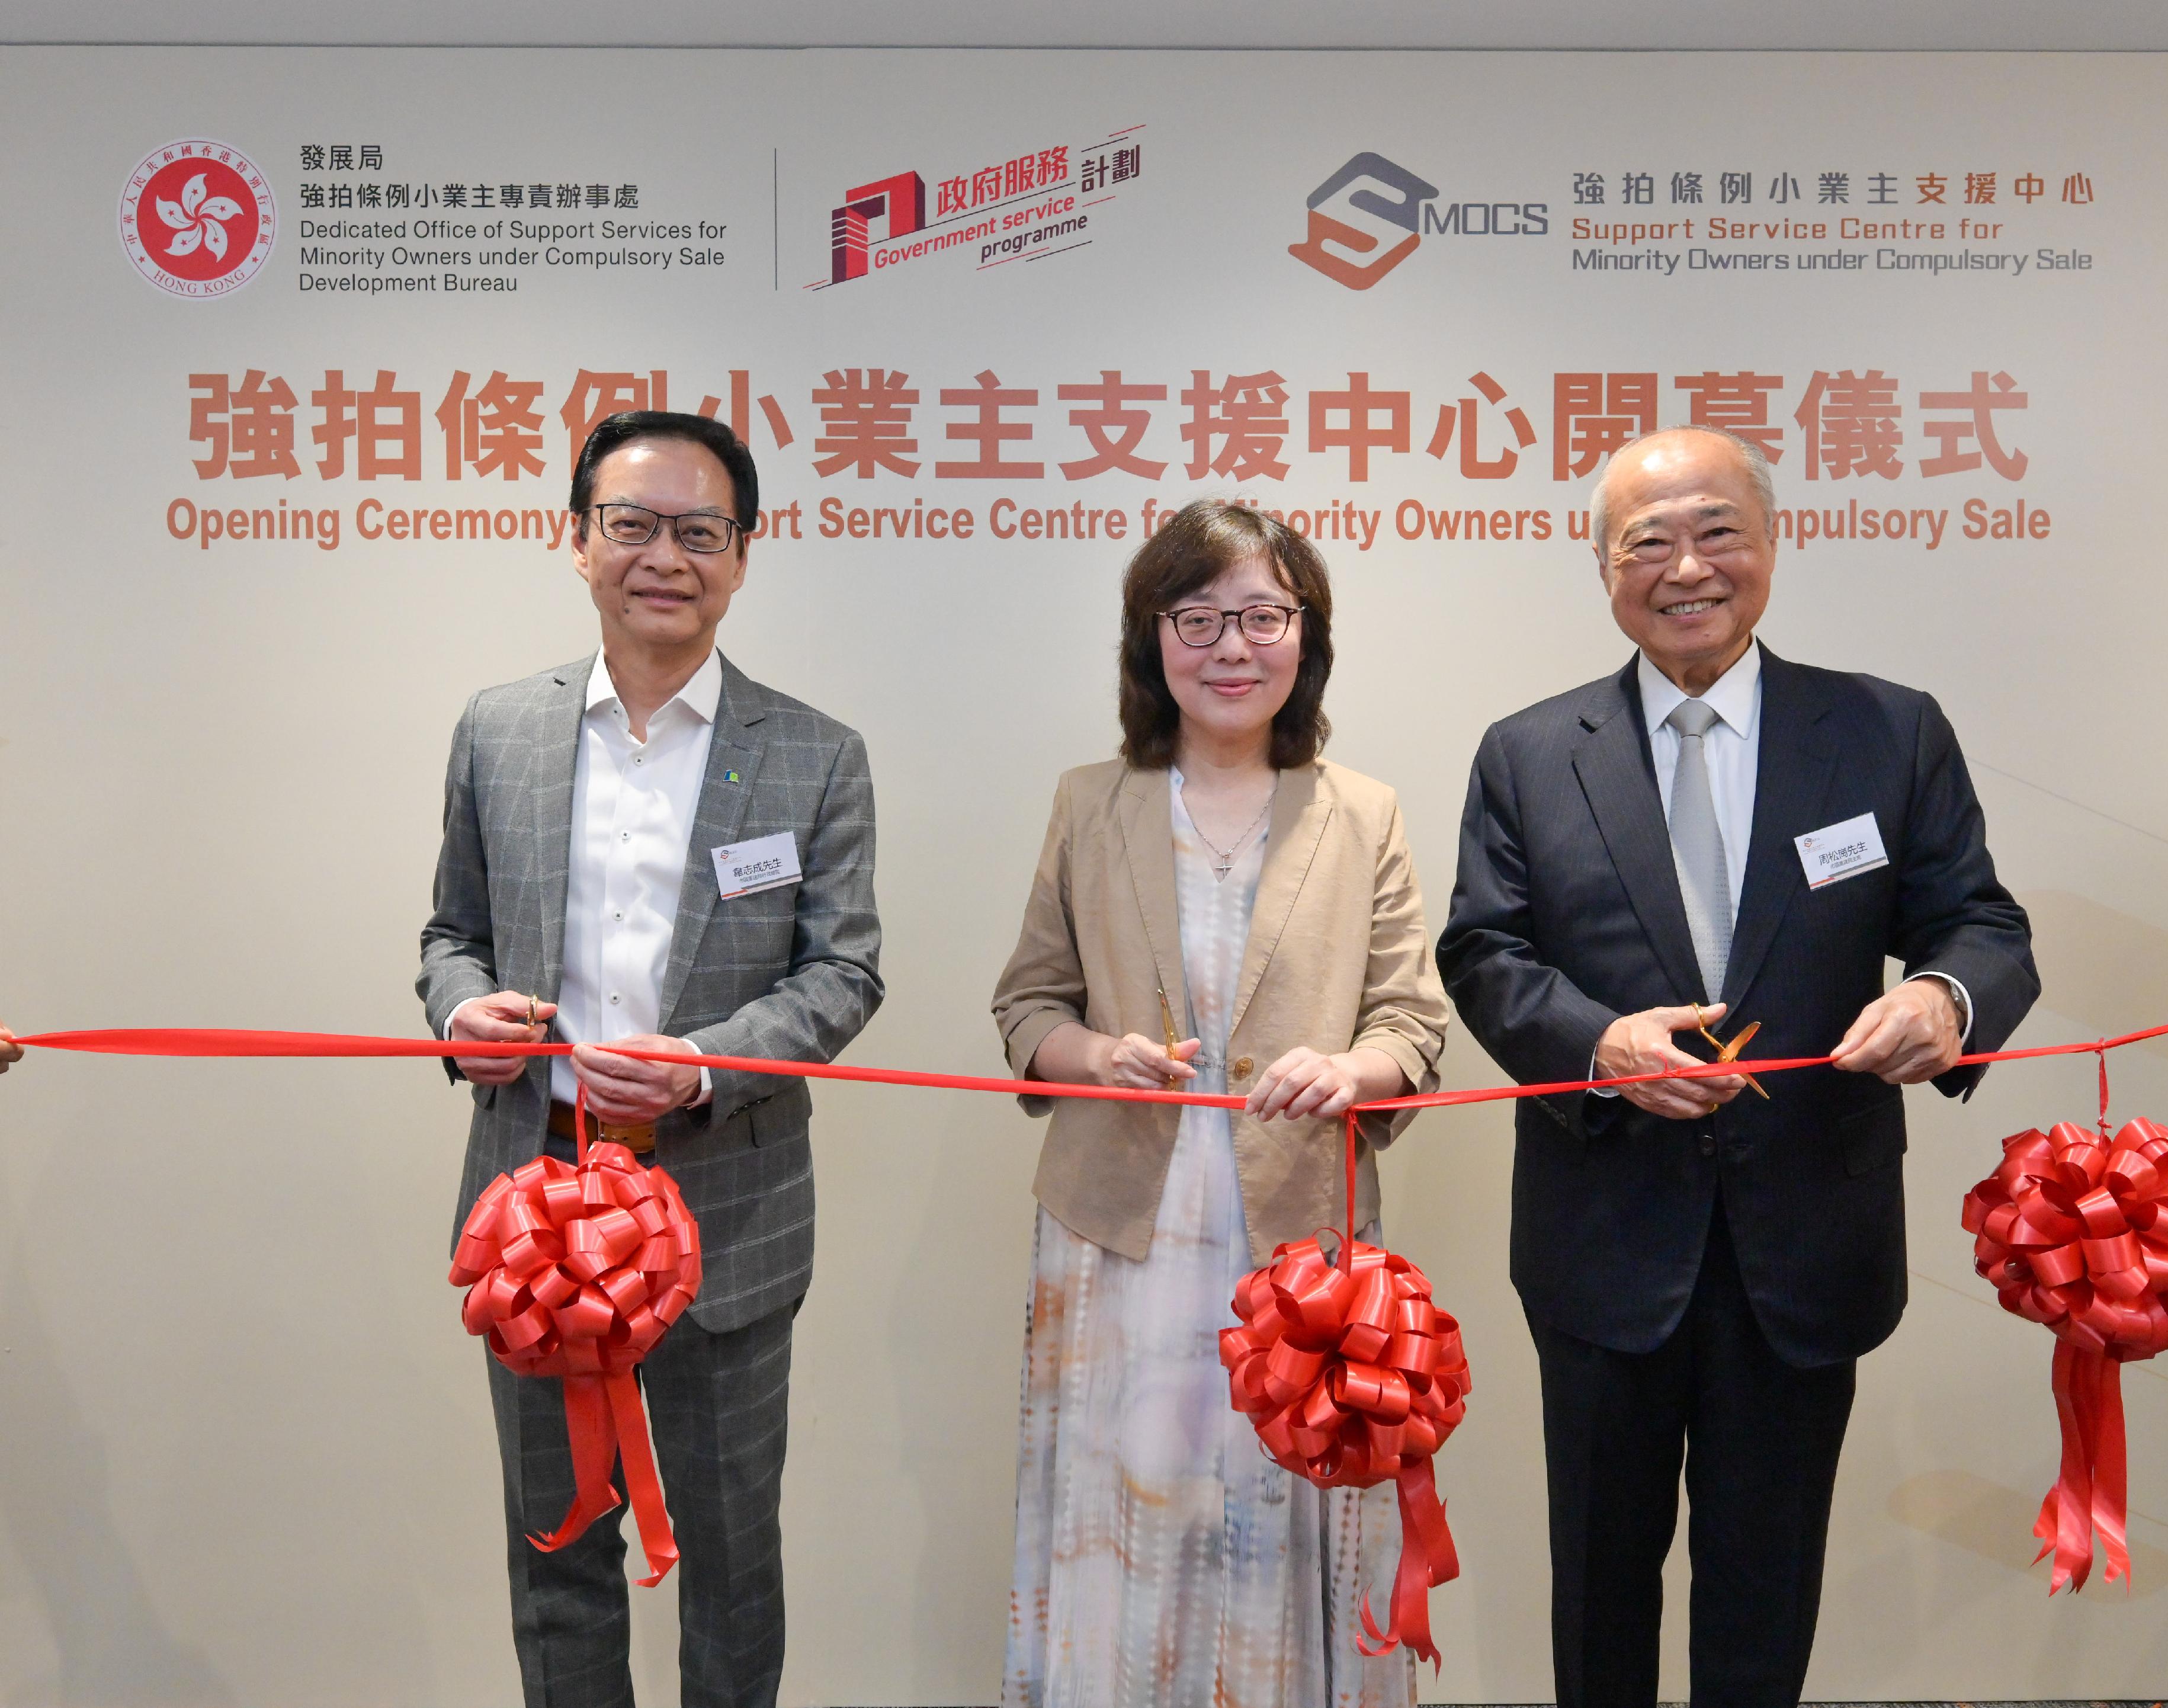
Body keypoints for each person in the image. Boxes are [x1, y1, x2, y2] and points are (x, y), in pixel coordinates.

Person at [1438, 426, 2038, 1708]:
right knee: (1597, 1582)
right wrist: (1596, 1044)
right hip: (1601, 1235)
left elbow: (1981, 927)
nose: (1685, 566)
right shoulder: (1529, 752)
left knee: (1765, 1580)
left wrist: (1943, 997)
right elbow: (1483, 951)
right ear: (1600, 566)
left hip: (1805, 1233)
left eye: (1714, 530)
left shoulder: (1884, 729)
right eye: (1644, 540)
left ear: (1771, 541)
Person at [417, 410, 884, 1708]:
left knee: (731, 1560)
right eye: (630, 525)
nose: (661, 556)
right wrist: (460, 1014)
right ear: (578, 543)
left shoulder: (812, 753)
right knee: (557, 1546)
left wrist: (704, 1063)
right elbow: (449, 932)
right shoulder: (499, 728)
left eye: (698, 530)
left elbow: (843, 972)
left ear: (743, 553)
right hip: (533, 1213)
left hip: (724, 1215)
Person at [990, 499, 1452, 1708]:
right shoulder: (1089, 799)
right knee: (1124, 1503)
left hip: (1299, 1245)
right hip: (1112, 1237)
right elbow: (1025, 1007)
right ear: (1152, 640)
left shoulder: (1362, 810)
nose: (1230, 646)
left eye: (1260, 615)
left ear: (1306, 637)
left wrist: (1350, 1073)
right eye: (1195, 617)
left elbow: (1411, 1021)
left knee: (1276, 1507)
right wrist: (1091, 1051)